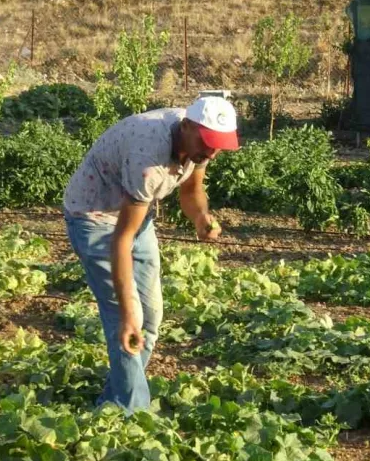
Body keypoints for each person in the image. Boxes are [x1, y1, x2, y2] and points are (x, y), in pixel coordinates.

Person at [63, 95, 239, 413]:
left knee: (150, 320)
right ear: (186, 126)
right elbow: (120, 240)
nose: (212, 151)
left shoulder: (198, 142)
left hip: (133, 215)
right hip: (95, 218)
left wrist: (201, 217)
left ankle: (115, 400)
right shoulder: (149, 160)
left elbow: (191, 190)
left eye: (218, 144)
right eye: (208, 142)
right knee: (126, 318)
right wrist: (128, 315)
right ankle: (132, 415)